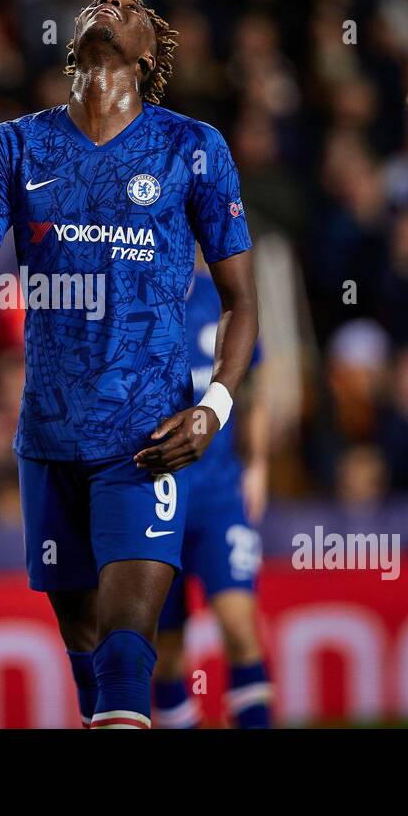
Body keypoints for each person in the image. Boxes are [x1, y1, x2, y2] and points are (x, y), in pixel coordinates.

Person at [0, 0, 259, 729]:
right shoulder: (13, 145)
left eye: (130, 6)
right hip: (48, 441)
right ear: (71, 47)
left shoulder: (193, 147)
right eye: (100, 2)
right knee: (89, 653)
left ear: (148, 56)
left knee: (131, 648)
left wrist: (215, 407)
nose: (110, 4)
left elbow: (242, 302)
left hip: (147, 439)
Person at [153, 257, 272, 729]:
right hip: (157, 501)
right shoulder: (133, 302)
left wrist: (258, 463)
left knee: (240, 627)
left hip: (219, 495)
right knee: (166, 655)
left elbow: (255, 385)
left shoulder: (224, 299)